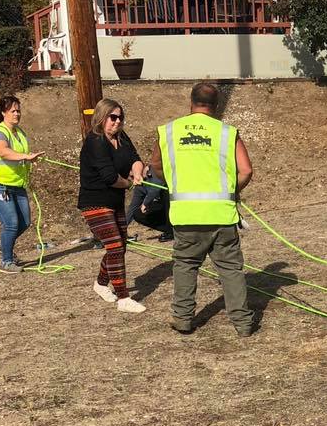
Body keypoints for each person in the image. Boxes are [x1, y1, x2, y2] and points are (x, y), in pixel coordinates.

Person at [150, 81, 254, 337]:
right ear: (216, 106)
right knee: (230, 269)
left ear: (191, 102)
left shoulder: (169, 132)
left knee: (185, 265)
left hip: (186, 215)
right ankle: (242, 323)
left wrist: (174, 184)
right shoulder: (227, 132)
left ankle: (183, 318)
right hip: (221, 215)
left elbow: (157, 166)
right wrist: (232, 192)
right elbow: (246, 170)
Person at [78, 98, 146, 313]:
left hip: (115, 201)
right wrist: (128, 184)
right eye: (113, 117)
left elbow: (135, 158)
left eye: (120, 117)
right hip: (95, 201)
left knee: (120, 246)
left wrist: (137, 173)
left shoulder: (122, 137)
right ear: (101, 117)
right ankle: (123, 298)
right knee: (115, 246)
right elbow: (109, 177)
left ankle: (100, 283)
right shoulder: (95, 141)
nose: (117, 122)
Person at [0, 95, 44, 273]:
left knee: (25, 222)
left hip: (16, 184)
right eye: (12, 111)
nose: (17, 114)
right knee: (11, 223)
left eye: (18, 110)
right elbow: (3, 152)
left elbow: (17, 155)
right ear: (3, 113)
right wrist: (25, 156)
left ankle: (3, 244)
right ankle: (6, 262)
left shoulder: (19, 132)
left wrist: (29, 159)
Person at [126, 166, 174, 242]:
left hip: (172, 202)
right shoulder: (139, 186)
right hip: (161, 205)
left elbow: (155, 189)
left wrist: (145, 203)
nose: (134, 180)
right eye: (131, 178)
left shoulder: (153, 170)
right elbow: (133, 207)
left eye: (133, 176)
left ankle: (171, 231)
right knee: (137, 214)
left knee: (165, 194)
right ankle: (170, 229)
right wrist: (122, 229)